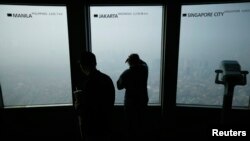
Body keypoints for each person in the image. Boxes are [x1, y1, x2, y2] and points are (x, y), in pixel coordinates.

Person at [74, 51, 115, 141]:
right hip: (106, 125)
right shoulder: (107, 79)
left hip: (92, 129)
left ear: (83, 65)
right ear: (95, 63)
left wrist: (78, 103)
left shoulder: (88, 84)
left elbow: (85, 110)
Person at [117, 53, 149, 140]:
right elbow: (144, 63)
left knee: (130, 126)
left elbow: (119, 86)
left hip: (130, 104)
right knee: (141, 124)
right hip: (142, 101)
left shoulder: (127, 73)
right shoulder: (145, 69)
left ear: (130, 62)